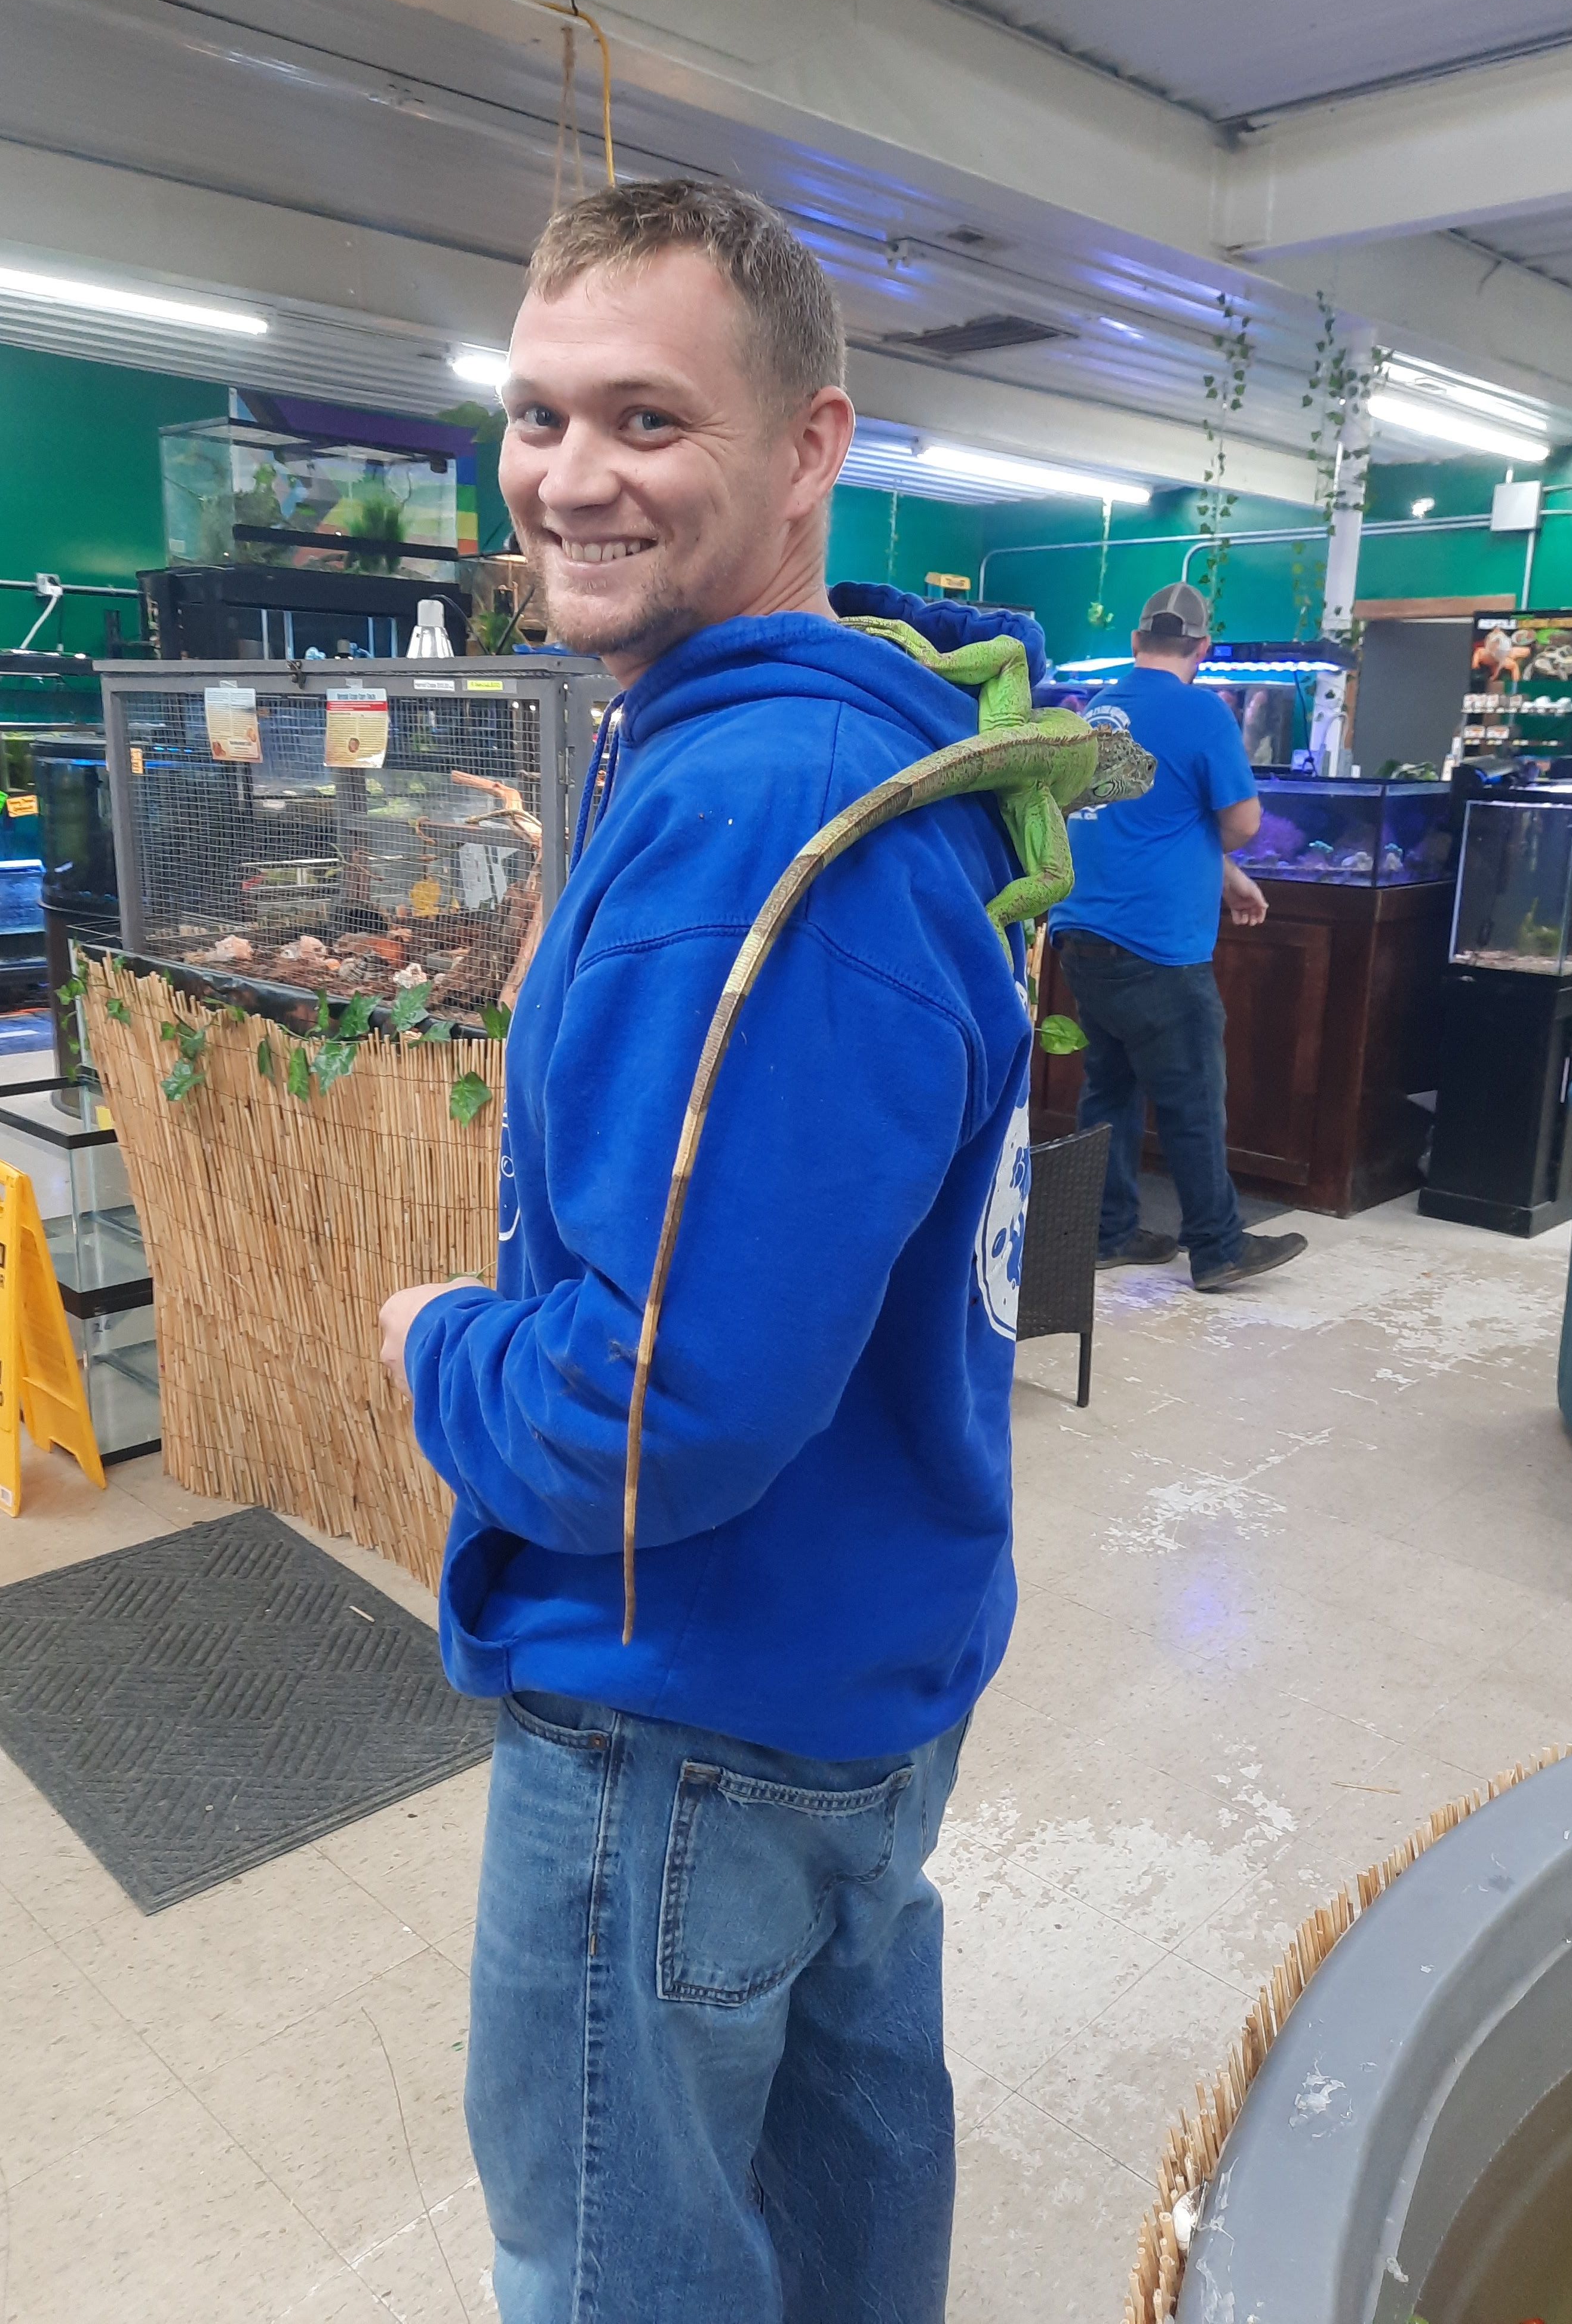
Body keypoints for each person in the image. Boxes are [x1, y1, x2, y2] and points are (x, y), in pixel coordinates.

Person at [376, 178, 1082, 2324]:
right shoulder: (855, 749)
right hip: (853, 1665)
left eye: (648, 419)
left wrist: (436, 1342)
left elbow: (651, 1418)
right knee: (841, 2210)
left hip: (680, 1719)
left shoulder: (748, 812)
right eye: (537, 414)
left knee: (618, 2267)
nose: (569, 475)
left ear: (807, 447)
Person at [1047, 583, 1309, 1292]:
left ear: (1137, 642)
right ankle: (1218, 1247)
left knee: (1109, 1088)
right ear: (1202, 648)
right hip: (1158, 943)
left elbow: (1145, 821)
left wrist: (1226, 877)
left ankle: (1108, 1231)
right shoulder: (1202, 713)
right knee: (1192, 1095)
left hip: (1083, 934)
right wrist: (1230, 857)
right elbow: (1244, 823)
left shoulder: (1095, 712)